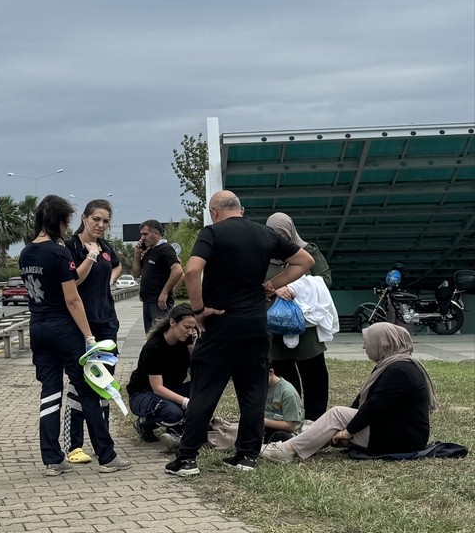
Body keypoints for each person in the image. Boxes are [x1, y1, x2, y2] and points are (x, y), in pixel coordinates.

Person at [165, 191, 315, 477]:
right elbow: (304, 260)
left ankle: (187, 459)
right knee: (252, 393)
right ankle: (246, 455)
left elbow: (193, 269)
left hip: (221, 325)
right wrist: (272, 284)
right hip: (256, 326)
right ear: (240, 210)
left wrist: (198, 310)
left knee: (205, 393)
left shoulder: (212, 233)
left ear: (214, 211)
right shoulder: (265, 234)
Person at [19, 196, 128, 475]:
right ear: (60, 221)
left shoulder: (26, 253)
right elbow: (73, 299)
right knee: (89, 390)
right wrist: (89, 336)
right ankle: (107, 457)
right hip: (63, 329)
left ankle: (53, 461)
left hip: (37, 328)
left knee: (50, 394)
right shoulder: (59, 253)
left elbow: (56, 285)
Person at [260, 322, 437, 463]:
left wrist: (347, 432)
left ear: (382, 345)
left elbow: (374, 407)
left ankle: (286, 450)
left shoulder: (399, 370)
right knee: (320, 424)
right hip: (394, 430)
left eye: (367, 343)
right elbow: (361, 401)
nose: (363, 347)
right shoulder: (392, 365)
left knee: (337, 414)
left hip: (402, 439)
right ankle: (293, 443)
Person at [62, 199, 128, 469]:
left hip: (106, 323)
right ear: (84, 218)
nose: (101, 225)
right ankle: (74, 445)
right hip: (81, 325)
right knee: (81, 386)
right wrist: (89, 257)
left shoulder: (105, 247)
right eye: (96, 219)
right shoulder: (71, 247)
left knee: (104, 386)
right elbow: (73, 281)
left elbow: (116, 264)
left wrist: (110, 280)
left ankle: (103, 438)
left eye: (105, 221)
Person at [265, 212, 333, 420]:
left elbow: (325, 279)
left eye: (282, 235)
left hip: (305, 326)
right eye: (273, 235)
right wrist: (274, 289)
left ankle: (315, 420)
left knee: (314, 375)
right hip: (276, 327)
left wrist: (295, 287)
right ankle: (291, 419)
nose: (278, 240)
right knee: (284, 376)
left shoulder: (307, 251)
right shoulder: (262, 254)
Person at [125, 304, 198, 442]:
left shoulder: (185, 342)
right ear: (172, 323)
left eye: (193, 328)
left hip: (170, 389)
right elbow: (157, 388)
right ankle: (144, 423)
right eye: (186, 327)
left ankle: (176, 427)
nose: (190, 332)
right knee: (174, 413)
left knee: (201, 388)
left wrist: (193, 350)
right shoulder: (154, 347)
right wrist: (185, 402)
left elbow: (196, 375)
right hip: (143, 394)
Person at [133, 219, 185, 331]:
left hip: (159, 303)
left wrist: (165, 292)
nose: (142, 238)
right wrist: (138, 254)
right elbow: (137, 273)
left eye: (145, 234)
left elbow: (178, 271)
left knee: (160, 335)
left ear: (156, 233)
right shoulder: (150, 251)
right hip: (148, 301)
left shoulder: (165, 249)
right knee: (151, 336)